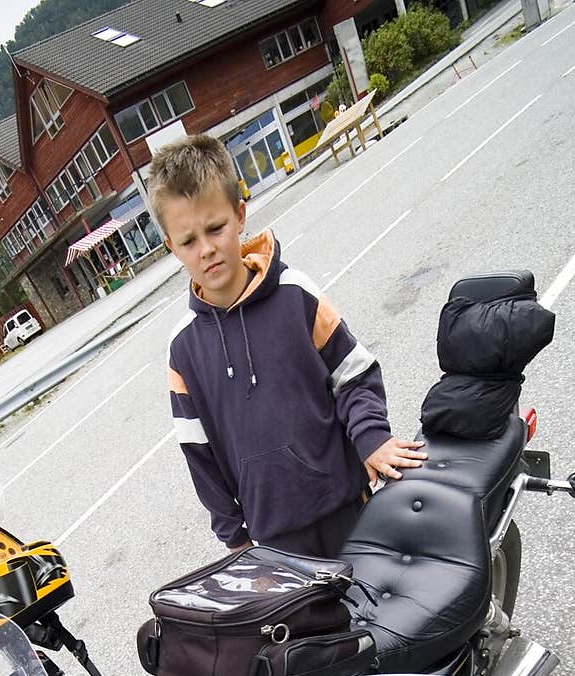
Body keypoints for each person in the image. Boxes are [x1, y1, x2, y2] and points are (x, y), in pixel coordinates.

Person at [147, 133, 425, 558]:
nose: (206, 250)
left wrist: (372, 438)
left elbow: (353, 374)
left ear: (240, 215)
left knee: (386, 616)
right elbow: (198, 454)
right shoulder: (183, 350)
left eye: (216, 228)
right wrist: (237, 542)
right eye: (188, 241)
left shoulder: (295, 294)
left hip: (348, 507)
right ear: (171, 247)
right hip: (275, 543)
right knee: (317, 628)